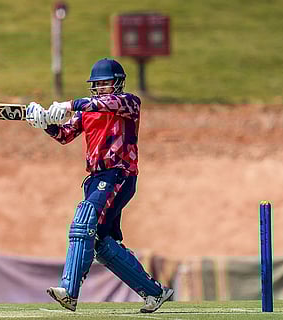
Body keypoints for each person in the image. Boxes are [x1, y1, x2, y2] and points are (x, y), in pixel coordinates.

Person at [25, 58, 173, 313]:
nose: (101, 88)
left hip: (119, 174)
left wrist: (68, 104)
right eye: (97, 85)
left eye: (106, 84)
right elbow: (64, 136)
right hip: (95, 178)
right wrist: (45, 124)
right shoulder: (87, 111)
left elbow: (107, 104)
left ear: (118, 83)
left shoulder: (128, 103)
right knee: (101, 243)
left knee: (84, 220)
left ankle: (69, 291)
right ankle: (154, 293)